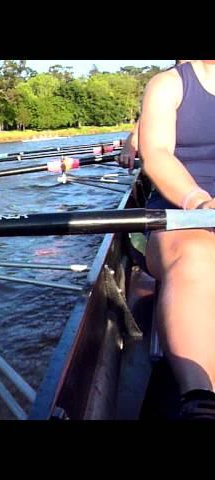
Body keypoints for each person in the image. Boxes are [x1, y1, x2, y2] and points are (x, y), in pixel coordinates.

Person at [138, 60, 215, 419]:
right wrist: (199, 202)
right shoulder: (167, 85)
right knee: (199, 254)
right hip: (180, 213)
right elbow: (156, 154)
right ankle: (201, 402)